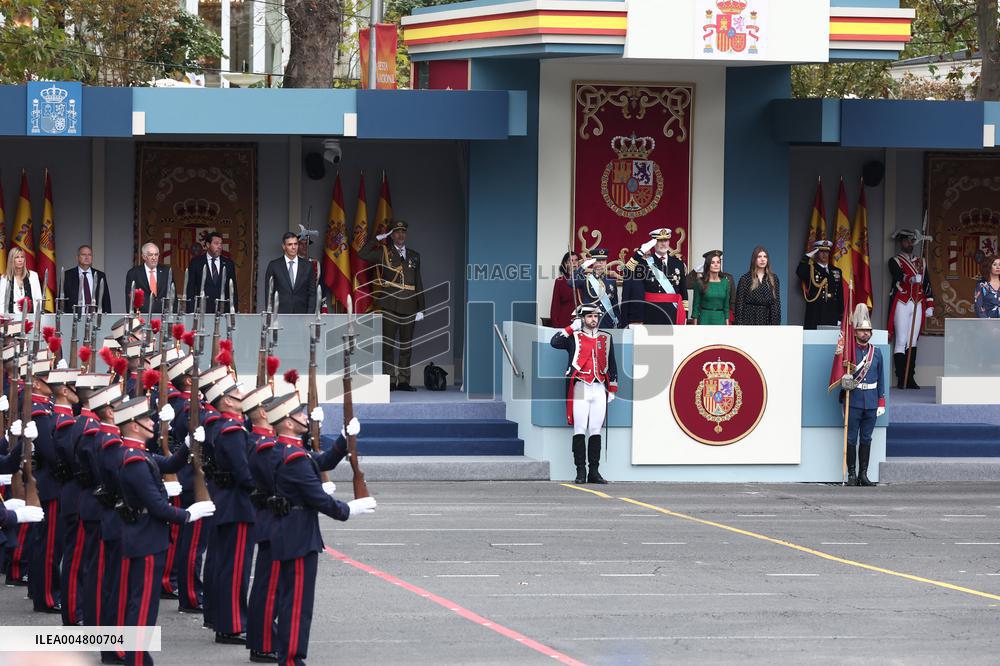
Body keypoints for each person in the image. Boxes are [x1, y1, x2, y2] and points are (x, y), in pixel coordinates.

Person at [266, 392, 376, 666]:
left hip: (290, 531)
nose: (305, 416)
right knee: (297, 604)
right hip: (298, 536)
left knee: (290, 599)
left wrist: (343, 438)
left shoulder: (287, 451)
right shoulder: (293, 458)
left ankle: (138, 653)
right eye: (300, 414)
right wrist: (348, 510)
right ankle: (290, 659)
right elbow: (317, 498)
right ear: (288, 423)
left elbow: (321, 462)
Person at [114, 395, 214, 666]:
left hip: (147, 537)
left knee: (144, 604)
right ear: (134, 426)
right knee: (142, 605)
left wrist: (189, 445)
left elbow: (169, 465)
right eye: (147, 419)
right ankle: (136, 659)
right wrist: (188, 514)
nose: (152, 422)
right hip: (146, 539)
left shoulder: (139, 454)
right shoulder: (134, 461)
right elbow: (157, 506)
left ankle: (138, 656)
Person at [550, 303, 618, 485]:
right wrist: (570, 328)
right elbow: (554, 342)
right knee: (579, 429)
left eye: (596, 316)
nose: (593, 320)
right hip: (580, 386)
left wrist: (612, 389)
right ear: (582, 318)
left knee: (595, 430)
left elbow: (612, 365)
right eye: (589, 316)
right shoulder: (574, 337)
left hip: (599, 388)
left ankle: (594, 472)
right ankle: (581, 471)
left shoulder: (606, 337)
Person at [358, 219, 425, 391]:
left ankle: (403, 380)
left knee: (406, 346)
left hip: (409, 305)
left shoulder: (414, 255)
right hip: (389, 304)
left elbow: (418, 282)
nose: (400, 235)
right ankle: (389, 380)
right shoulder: (383, 252)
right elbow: (362, 254)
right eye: (396, 232)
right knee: (387, 345)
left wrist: (421, 308)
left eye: (403, 232)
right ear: (391, 235)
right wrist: (377, 238)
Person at [841, 304, 885, 487]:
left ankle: (863, 475)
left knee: (866, 438)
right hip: (854, 400)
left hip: (872, 402)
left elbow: (881, 378)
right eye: (861, 330)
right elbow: (839, 373)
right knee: (851, 438)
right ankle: (851, 474)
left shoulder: (876, 353)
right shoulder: (848, 351)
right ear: (855, 332)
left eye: (868, 331)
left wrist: (881, 402)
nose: (865, 333)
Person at [887, 229, 934, 390]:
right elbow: (898, 275)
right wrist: (911, 278)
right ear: (901, 243)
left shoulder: (922, 261)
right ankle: (901, 377)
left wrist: (930, 304)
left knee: (913, 341)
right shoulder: (895, 260)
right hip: (903, 300)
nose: (909, 244)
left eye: (912, 241)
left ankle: (910, 377)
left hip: (918, 302)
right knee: (901, 340)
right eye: (906, 241)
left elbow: (927, 283)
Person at [623, 228, 688, 325]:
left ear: (669, 242)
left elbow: (683, 291)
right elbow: (627, 270)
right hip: (652, 312)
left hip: (673, 311)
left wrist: (685, 314)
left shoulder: (678, 263)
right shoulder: (645, 263)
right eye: (659, 241)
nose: (663, 244)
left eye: (665, 240)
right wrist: (640, 252)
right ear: (654, 243)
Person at [186, 232, 238, 314]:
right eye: (216, 243)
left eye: (221, 244)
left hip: (223, 312)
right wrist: (191, 312)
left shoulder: (228, 264)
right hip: (201, 312)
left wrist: (233, 310)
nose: (220, 247)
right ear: (207, 245)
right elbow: (190, 289)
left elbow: (233, 290)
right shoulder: (196, 262)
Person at [264, 232, 316, 314]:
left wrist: (309, 315)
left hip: (302, 315)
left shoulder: (308, 266)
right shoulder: (274, 265)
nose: (293, 247)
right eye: (290, 244)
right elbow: (269, 293)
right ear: (284, 247)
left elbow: (312, 294)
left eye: (296, 244)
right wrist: (271, 315)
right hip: (279, 315)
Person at [797, 240, 843, 330]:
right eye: (821, 251)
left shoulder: (836, 271)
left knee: (830, 340)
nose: (824, 254)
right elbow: (800, 272)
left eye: (826, 251)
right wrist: (806, 257)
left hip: (831, 310)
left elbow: (840, 294)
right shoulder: (811, 269)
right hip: (815, 310)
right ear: (816, 253)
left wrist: (840, 316)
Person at [734, 246, 782, 326]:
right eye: (759, 256)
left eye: (765, 257)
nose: (762, 259)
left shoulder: (773, 278)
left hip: (767, 320)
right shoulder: (745, 279)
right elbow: (739, 304)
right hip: (749, 319)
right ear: (754, 259)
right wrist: (739, 325)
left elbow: (776, 303)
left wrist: (776, 325)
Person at [124, 242, 175, 314]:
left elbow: (173, 295)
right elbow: (130, 299)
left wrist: (173, 315)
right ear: (144, 256)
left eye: (156, 255)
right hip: (142, 316)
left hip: (163, 315)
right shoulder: (133, 273)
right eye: (151, 255)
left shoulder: (167, 272)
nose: (154, 258)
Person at [577, 248, 621, 329]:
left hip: (607, 321)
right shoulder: (585, 279)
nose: (601, 262)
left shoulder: (611, 282)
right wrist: (583, 266)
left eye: (603, 260)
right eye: (598, 260)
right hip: (590, 322)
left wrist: (618, 321)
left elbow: (614, 304)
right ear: (593, 263)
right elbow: (570, 282)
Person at [61, 245, 112, 314]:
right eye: (83, 254)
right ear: (77, 257)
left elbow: (106, 300)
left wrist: (107, 318)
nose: (87, 257)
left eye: (89, 255)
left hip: (95, 317)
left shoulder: (100, 275)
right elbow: (62, 300)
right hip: (73, 317)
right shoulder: (67, 275)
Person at [690, 250, 733, 325]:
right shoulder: (700, 282)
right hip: (705, 319)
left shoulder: (725, 282)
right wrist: (695, 328)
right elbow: (695, 307)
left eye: (718, 262)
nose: (716, 265)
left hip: (720, 320)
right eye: (713, 263)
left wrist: (727, 325)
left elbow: (726, 307)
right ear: (708, 264)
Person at [0, 247, 42, 315]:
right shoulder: (5, 278)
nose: (20, 260)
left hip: (31, 318)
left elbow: (38, 300)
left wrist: (37, 319)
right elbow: (1, 304)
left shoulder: (33, 276)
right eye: (17, 257)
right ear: (11, 260)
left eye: (22, 257)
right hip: (12, 320)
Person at [549, 251, 580, 328]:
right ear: (565, 264)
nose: (574, 263)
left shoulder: (584, 280)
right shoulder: (560, 281)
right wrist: (556, 326)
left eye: (576, 260)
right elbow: (555, 305)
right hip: (564, 321)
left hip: (581, 321)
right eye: (571, 260)